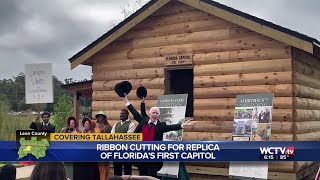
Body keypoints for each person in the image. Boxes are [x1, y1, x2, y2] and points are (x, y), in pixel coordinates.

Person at [122, 95, 196, 178]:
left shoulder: (161, 126)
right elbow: (133, 111)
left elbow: (172, 127)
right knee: (142, 176)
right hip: (142, 156)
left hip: (154, 157)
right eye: (153, 112)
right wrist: (126, 101)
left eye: (157, 113)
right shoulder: (143, 121)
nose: (155, 114)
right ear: (149, 114)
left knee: (153, 177)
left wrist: (182, 125)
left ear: (158, 116)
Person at [111, 109, 136, 176]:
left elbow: (128, 137)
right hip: (116, 150)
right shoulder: (116, 124)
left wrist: (117, 138)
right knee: (117, 170)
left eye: (123, 114)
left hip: (127, 151)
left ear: (127, 115)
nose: (121, 115)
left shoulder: (131, 124)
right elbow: (112, 136)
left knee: (127, 170)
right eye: (120, 113)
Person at [95, 111, 112, 180]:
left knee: (105, 167)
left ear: (104, 118)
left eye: (101, 117)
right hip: (97, 149)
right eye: (99, 117)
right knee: (99, 167)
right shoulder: (96, 127)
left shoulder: (108, 127)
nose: (100, 118)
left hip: (105, 149)